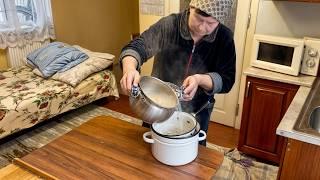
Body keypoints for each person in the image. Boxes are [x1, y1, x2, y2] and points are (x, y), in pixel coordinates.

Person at [120, 0, 236, 146]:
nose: (202, 27)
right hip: (157, 107)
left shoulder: (224, 37)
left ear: (219, 21)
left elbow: (227, 79)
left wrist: (200, 79)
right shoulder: (170, 25)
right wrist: (130, 69)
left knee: (192, 154)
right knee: (149, 151)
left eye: (210, 23)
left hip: (197, 111)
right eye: (199, 19)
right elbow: (137, 46)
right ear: (191, 7)